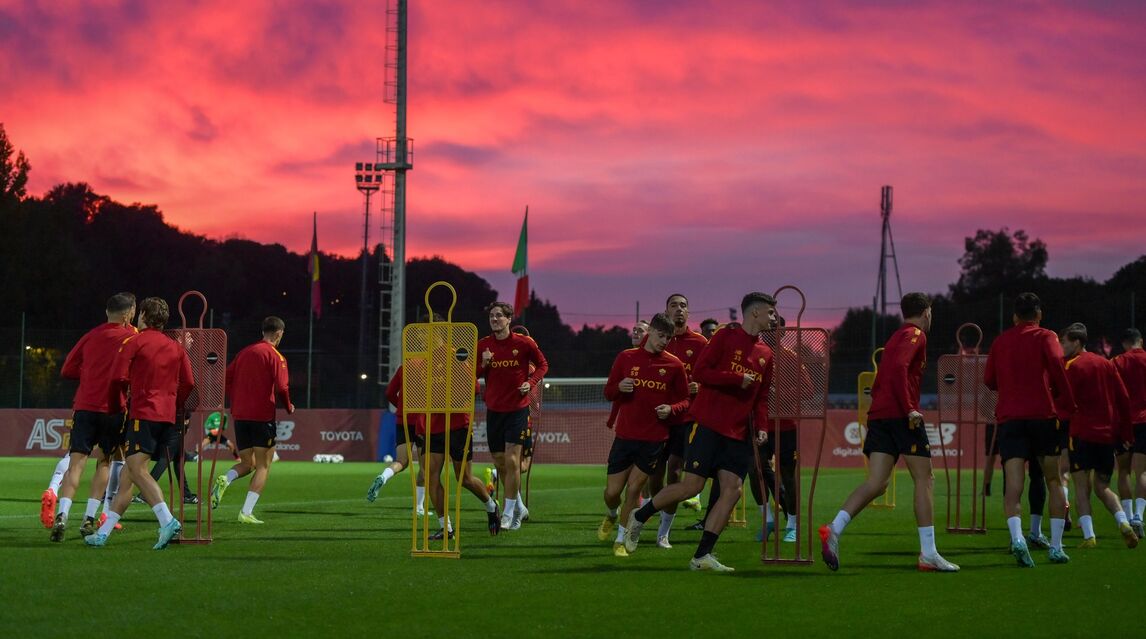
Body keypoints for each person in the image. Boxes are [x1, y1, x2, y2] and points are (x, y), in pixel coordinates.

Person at [625, 292, 777, 572]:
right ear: (754, 313)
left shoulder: (766, 354)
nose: (774, 317)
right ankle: (640, 515)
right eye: (769, 312)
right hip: (707, 425)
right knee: (692, 486)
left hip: (739, 434)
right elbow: (701, 374)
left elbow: (762, 398)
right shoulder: (724, 337)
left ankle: (701, 556)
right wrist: (735, 379)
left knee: (732, 491)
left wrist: (763, 427)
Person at [819, 293, 959, 572]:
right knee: (925, 478)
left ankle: (834, 528)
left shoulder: (896, 336)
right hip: (900, 417)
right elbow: (897, 369)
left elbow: (891, 370)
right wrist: (909, 409)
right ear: (927, 312)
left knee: (878, 482)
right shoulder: (916, 334)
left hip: (880, 416)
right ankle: (928, 553)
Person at [85, 297, 195, 549]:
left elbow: (117, 378)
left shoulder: (134, 342)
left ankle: (167, 521)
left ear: (143, 314)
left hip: (143, 414)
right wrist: (171, 401)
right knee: (127, 476)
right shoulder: (176, 347)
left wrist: (116, 408)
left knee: (135, 469)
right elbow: (188, 383)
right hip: (168, 417)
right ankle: (103, 533)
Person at [983, 292, 1076, 567]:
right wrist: (1068, 403)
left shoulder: (1000, 342)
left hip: (1010, 419)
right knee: (1053, 480)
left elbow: (989, 380)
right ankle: (1056, 548)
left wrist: (1011, 386)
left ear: (1014, 316)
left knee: (1013, 484)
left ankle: (1018, 539)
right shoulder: (1047, 336)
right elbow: (1058, 369)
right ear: (1039, 315)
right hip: (1042, 417)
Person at [598, 313, 689, 556]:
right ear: (651, 332)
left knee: (634, 489)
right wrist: (619, 387)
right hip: (625, 437)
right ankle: (611, 513)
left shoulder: (674, 365)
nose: (665, 341)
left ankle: (621, 540)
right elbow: (608, 392)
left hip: (655, 439)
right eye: (661, 336)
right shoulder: (626, 358)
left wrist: (672, 408)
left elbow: (685, 400)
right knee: (612, 493)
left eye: (668, 338)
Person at [49, 293, 137, 541]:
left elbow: (67, 369)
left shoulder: (91, 335)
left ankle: (62, 515)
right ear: (127, 314)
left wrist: (90, 374)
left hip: (85, 406)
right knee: (105, 462)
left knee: (76, 463)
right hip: (113, 408)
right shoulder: (132, 337)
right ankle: (89, 518)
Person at [1059, 323, 1138, 548]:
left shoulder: (1073, 367)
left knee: (1081, 487)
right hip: (1106, 437)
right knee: (1103, 486)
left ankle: (1089, 537)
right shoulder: (1106, 364)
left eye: (1063, 342)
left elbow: (1066, 402)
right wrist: (1125, 433)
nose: (1061, 347)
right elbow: (1123, 398)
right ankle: (1124, 524)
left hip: (1081, 434)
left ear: (1076, 342)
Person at [211, 316, 294, 524]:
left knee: (248, 463)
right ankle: (246, 513)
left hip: (240, 416)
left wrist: (237, 399)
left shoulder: (244, 352)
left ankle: (226, 479)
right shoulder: (276, 357)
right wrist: (288, 405)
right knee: (264, 466)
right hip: (262, 417)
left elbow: (225, 379)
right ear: (278, 334)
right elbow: (283, 387)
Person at [477, 301, 548, 530]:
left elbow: (543, 365)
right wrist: (483, 364)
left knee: (512, 461)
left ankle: (506, 514)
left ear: (509, 320)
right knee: (500, 463)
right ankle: (518, 505)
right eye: (492, 316)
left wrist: (530, 382)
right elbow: (472, 373)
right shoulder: (484, 345)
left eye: (499, 316)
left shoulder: (523, 343)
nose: (495, 319)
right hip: (494, 410)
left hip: (518, 409)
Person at [650, 294, 708, 548]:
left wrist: (701, 386)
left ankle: (664, 531)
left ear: (688, 312)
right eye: (674, 306)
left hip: (686, 416)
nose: (679, 310)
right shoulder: (656, 340)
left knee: (674, 468)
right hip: (656, 416)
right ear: (666, 311)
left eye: (683, 306)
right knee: (653, 474)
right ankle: (656, 513)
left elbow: (711, 375)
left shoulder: (699, 342)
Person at [367, 364, 427, 514]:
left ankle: (384, 476)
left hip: (404, 419)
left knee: (402, 461)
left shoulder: (405, 367)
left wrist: (400, 406)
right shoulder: (432, 365)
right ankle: (419, 507)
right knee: (425, 467)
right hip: (424, 420)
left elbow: (389, 392)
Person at [1114, 328, 1146, 538]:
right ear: (1140, 342)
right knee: (1142, 472)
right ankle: (1138, 517)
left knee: (1123, 471)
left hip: (1123, 422)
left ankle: (1126, 518)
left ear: (1124, 343)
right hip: (1145, 421)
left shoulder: (1117, 362)